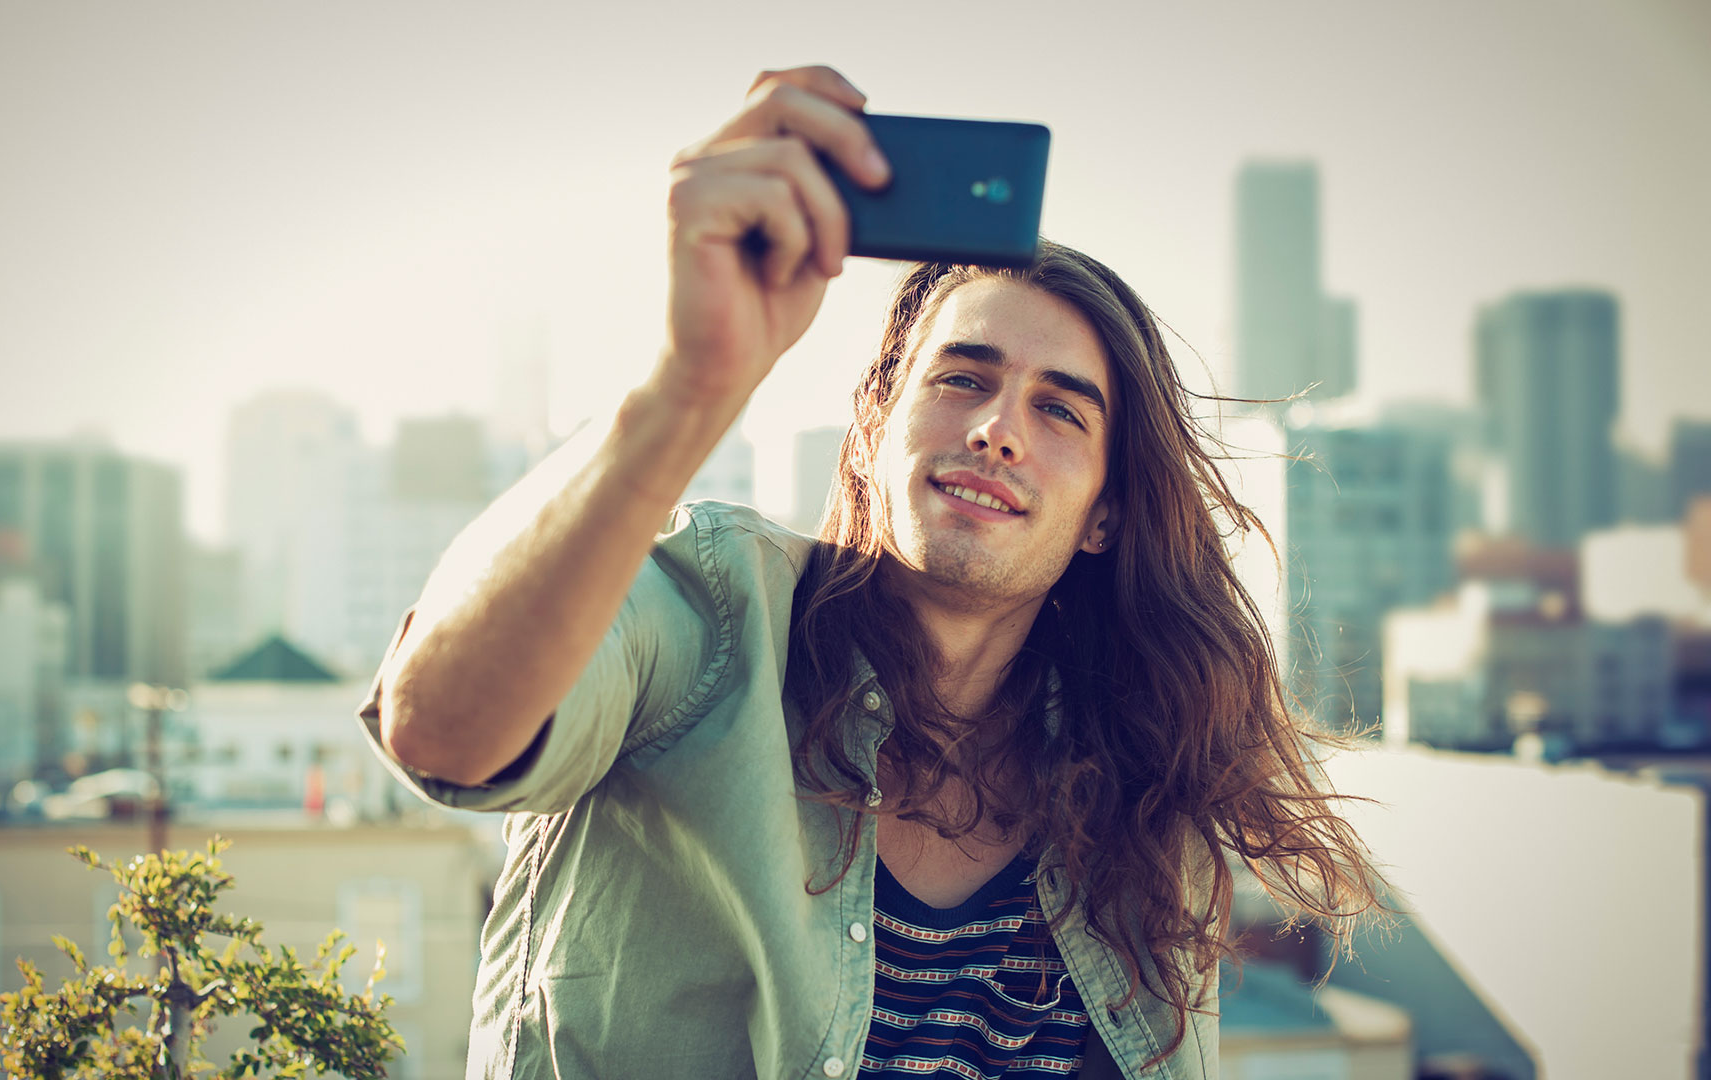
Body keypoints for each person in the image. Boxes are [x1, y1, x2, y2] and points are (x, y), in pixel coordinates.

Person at [359, 65, 1385, 1080]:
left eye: (1059, 409)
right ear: (872, 429)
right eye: (961, 378)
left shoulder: (1153, 780)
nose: (996, 430)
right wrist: (689, 384)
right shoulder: (708, 611)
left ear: (1105, 517)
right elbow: (442, 731)